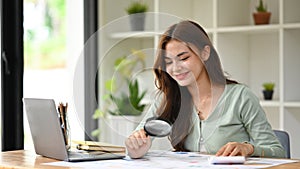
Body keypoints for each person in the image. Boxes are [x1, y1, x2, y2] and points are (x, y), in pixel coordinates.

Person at [125, 20, 286, 159]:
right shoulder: (167, 98)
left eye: (184, 58)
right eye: (168, 62)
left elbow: (278, 152)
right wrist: (136, 148)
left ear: (205, 53)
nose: (175, 69)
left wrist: (248, 148)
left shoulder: (240, 97)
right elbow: (135, 143)